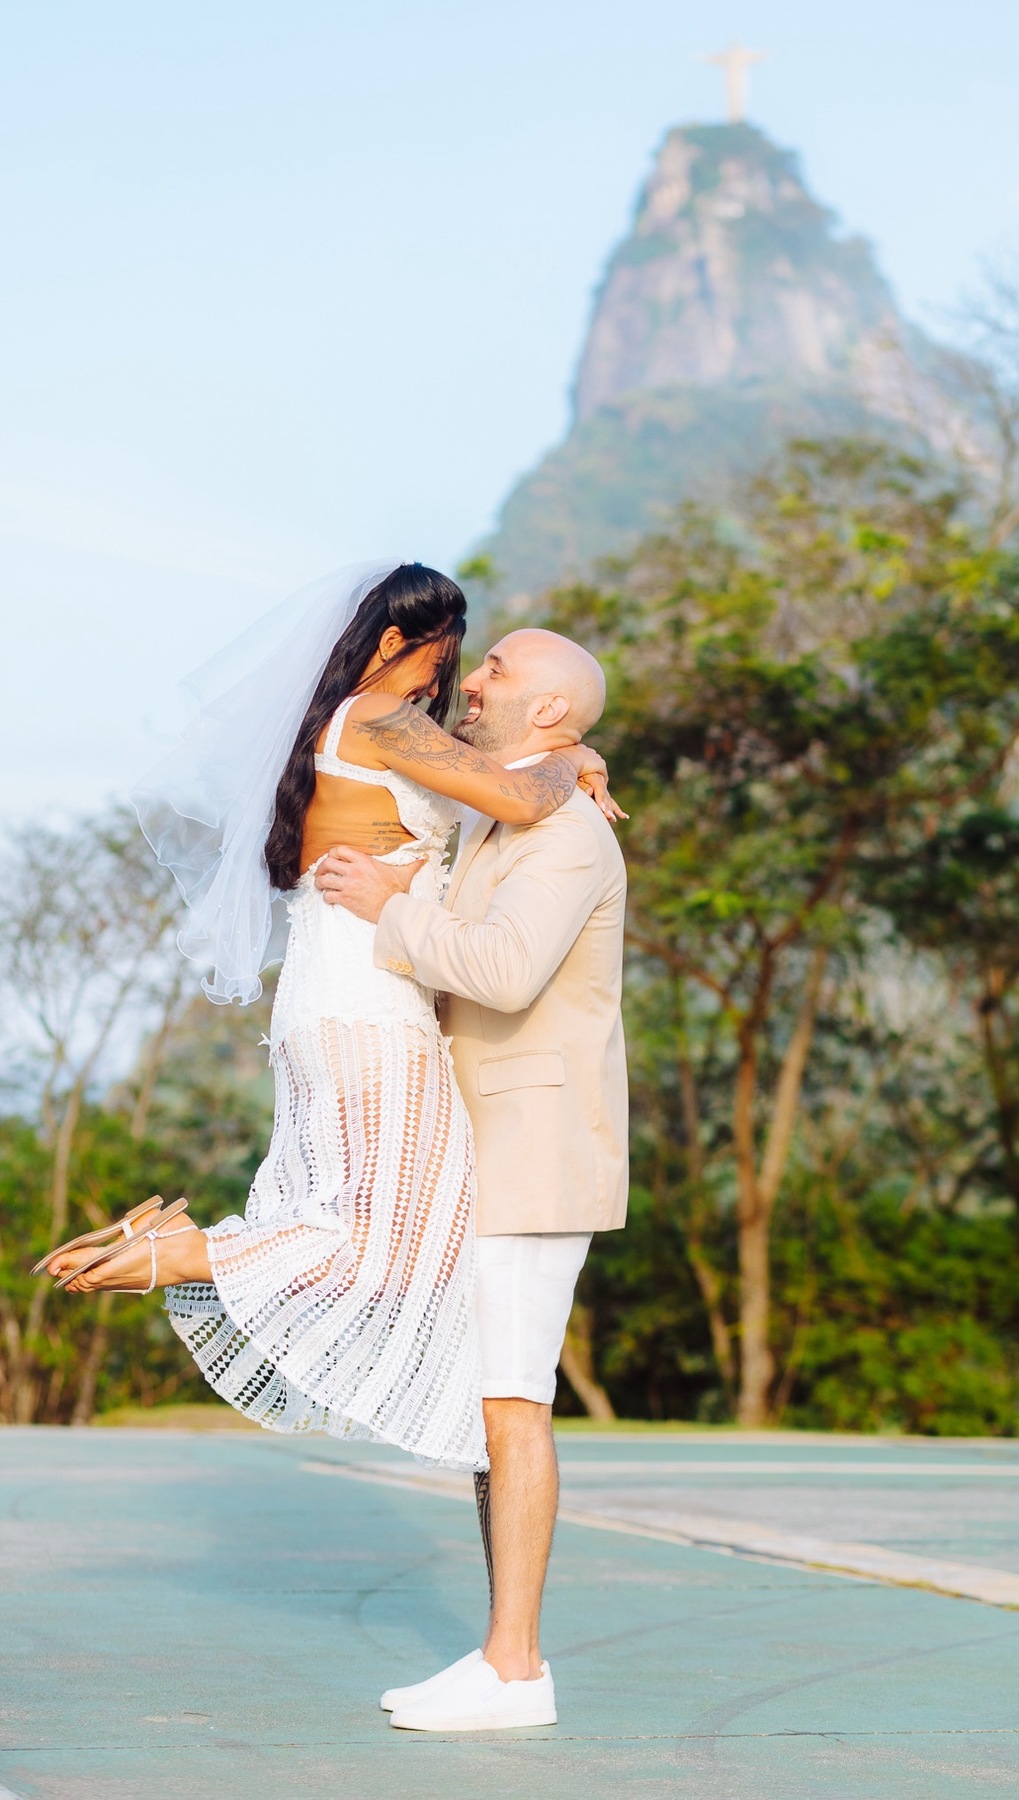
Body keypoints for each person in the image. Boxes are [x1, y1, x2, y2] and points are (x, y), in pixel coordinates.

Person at [40, 565, 616, 1480]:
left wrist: (552, 764)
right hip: (371, 1005)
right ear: (395, 643)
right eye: (444, 653)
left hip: (333, 1000)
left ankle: (184, 1248)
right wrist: (573, 759)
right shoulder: (380, 721)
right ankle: (184, 1251)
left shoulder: (341, 730)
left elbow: (499, 794)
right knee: (393, 1250)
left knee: (392, 1237)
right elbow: (519, 800)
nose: (450, 678)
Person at [314, 626, 628, 1734]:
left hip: (539, 1156)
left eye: (495, 668)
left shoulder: (570, 837)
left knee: (514, 1406)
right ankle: (503, 1658)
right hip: (488, 1149)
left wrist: (386, 912)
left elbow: (500, 971)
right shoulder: (520, 808)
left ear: (547, 713)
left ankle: (517, 1668)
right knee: (495, 1404)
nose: (473, 680)